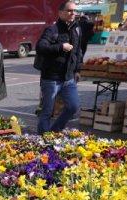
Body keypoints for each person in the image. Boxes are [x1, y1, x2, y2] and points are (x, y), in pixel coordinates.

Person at [35, 0, 83, 135]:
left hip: (68, 78)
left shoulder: (77, 29)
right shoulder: (52, 30)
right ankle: (42, 139)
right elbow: (40, 47)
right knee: (47, 112)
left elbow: (78, 51)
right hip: (51, 78)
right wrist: (60, 47)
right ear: (60, 12)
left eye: (74, 11)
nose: (73, 13)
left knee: (73, 107)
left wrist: (78, 69)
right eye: (69, 10)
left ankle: (55, 130)